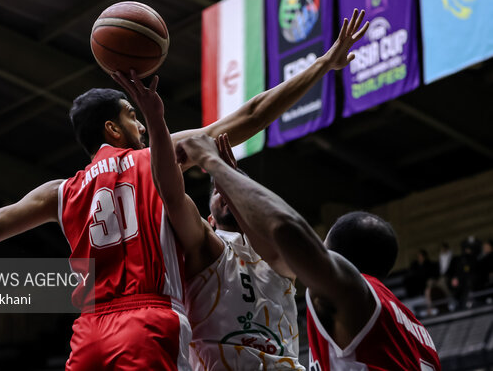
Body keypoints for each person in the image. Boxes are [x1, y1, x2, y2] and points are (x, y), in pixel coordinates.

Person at [0, 9, 368, 370]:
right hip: (149, 320)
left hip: (88, 333)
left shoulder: (59, 191)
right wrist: (321, 65)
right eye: (132, 116)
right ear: (112, 128)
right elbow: (251, 115)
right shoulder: (157, 156)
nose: (141, 123)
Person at [112, 10, 368, 370]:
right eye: (132, 117)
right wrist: (156, 122)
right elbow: (172, 194)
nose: (140, 126)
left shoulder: (276, 253)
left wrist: (323, 63)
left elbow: (253, 115)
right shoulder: (199, 235)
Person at [174, 134, 441, 370]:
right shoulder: (414, 329)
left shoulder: (344, 291)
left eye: (320, 245)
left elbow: (284, 230)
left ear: (333, 257)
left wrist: (215, 165)